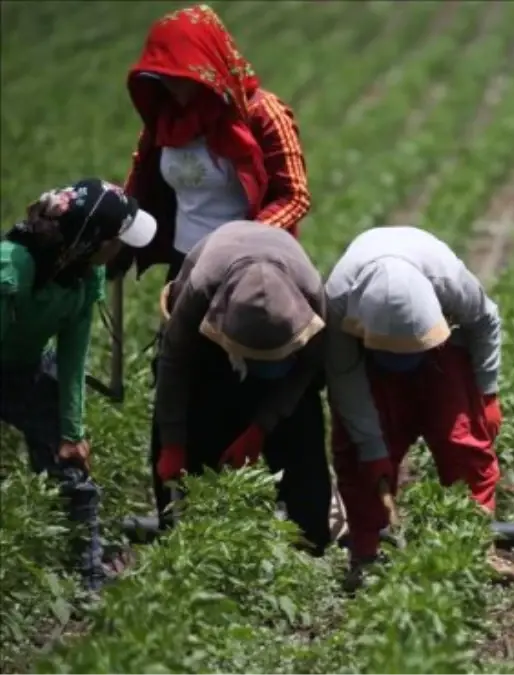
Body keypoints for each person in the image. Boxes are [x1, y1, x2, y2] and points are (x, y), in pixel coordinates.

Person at [1, 179, 158, 590]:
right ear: (91, 239)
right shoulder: (12, 269)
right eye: (117, 239)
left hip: (25, 365)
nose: (122, 248)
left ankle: (86, 574)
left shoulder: (86, 276)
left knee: (71, 468)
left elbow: (73, 356)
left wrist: (72, 433)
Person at [326, 226, 503, 582]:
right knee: (362, 456)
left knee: (461, 441)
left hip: (440, 354)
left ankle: (471, 544)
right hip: (370, 361)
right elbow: (346, 381)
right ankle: (366, 553)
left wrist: (487, 393)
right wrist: (372, 449)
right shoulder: (338, 299)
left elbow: (485, 321)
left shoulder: (446, 278)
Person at [152, 220, 331, 556]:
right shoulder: (200, 290)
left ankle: (309, 545)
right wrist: (173, 444)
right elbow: (174, 367)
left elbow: (310, 366)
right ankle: (187, 543)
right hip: (209, 352)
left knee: (301, 434)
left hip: (288, 366)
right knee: (197, 441)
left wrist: (261, 427)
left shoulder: (309, 294)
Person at [109, 3, 311, 283]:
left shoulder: (261, 114)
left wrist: (243, 244)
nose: (171, 85)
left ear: (207, 68)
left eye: (179, 75)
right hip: (186, 263)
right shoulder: (167, 119)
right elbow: (141, 179)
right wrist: (123, 234)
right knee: (176, 328)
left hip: (248, 267)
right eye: (163, 76)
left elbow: (294, 196)